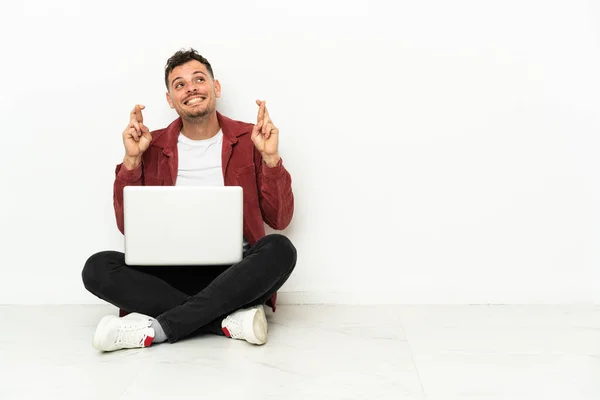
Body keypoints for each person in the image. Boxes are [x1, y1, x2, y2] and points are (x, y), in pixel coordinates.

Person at [82, 48, 297, 352]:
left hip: (233, 274)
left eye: (199, 79)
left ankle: (156, 329)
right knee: (97, 267)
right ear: (170, 99)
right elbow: (126, 226)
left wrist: (271, 158)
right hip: (166, 276)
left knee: (281, 249)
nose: (191, 88)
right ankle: (225, 321)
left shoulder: (251, 138)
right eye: (179, 84)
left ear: (215, 87)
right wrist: (132, 161)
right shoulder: (150, 144)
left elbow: (280, 219)